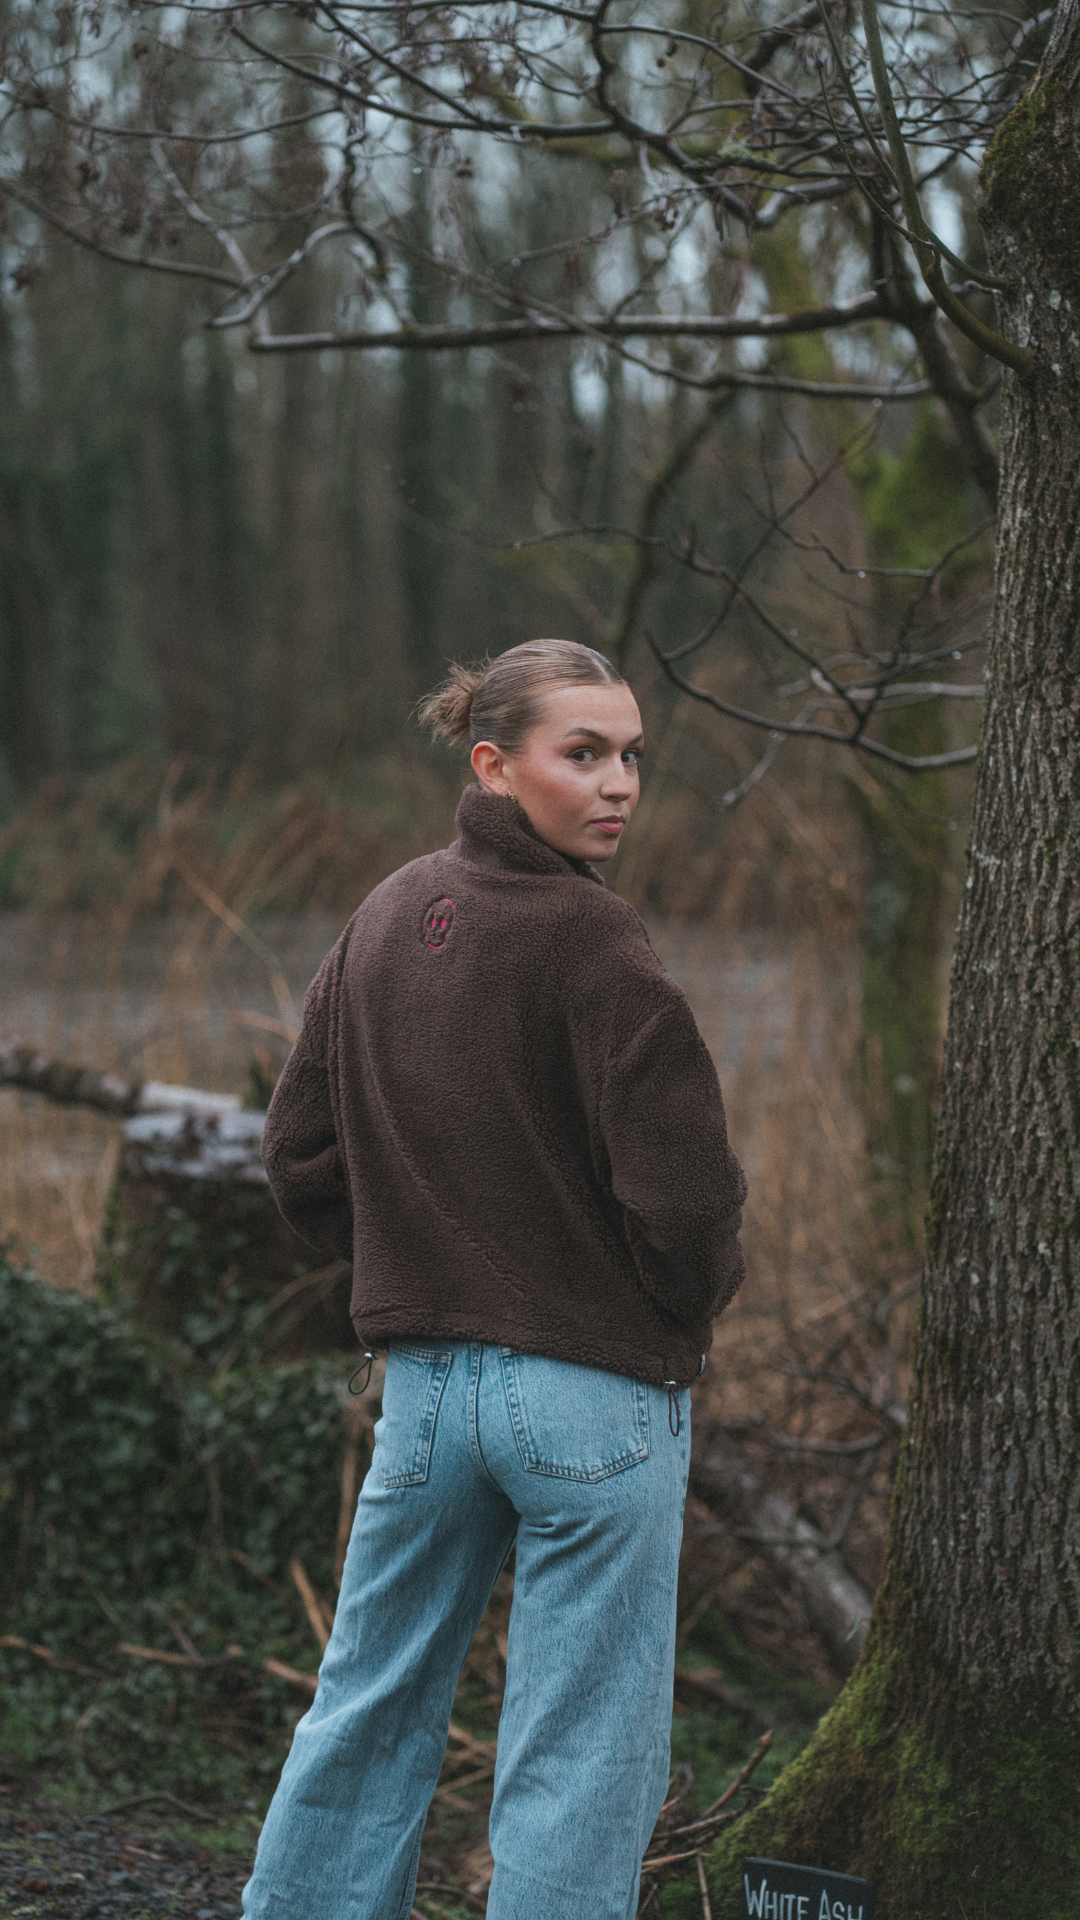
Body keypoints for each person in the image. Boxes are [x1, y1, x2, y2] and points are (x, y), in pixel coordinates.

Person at [243, 638, 747, 1920]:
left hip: (423, 1396)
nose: (619, 783)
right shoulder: (599, 942)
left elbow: (297, 1157)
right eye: (584, 753)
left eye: (631, 754)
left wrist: (411, 1265)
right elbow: (688, 1202)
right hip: (594, 1394)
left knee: (366, 1702)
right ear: (493, 763)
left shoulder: (383, 914)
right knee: (580, 1744)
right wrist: (674, 1312)